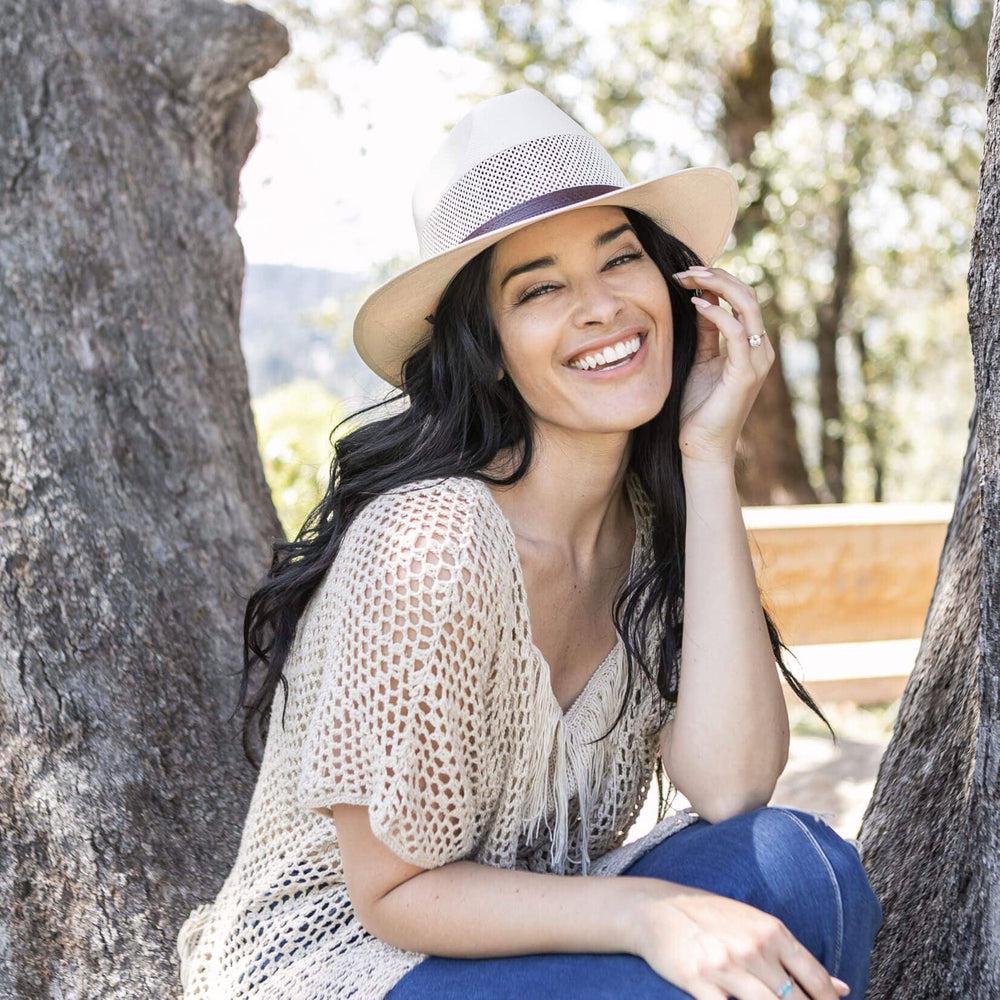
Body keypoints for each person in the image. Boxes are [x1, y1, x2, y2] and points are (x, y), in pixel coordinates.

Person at [175, 86, 883, 1000]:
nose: (598, 307)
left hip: (533, 940)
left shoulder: (654, 525)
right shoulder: (435, 539)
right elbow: (393, 895)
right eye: (540, 287)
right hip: (353, 967)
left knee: (804, 869)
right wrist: (651, 913)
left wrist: (707, 459)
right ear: (492, 347)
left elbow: (734, 786)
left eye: (619, 260)